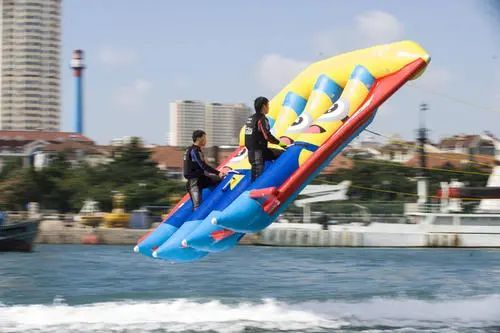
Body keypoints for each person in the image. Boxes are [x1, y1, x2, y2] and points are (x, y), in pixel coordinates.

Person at [245, 96, 287, 181]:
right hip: (259, 153)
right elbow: (267, 136)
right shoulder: (262, 119)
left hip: (251, 152)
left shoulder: (250, 118)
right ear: (264, 106)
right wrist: (281, 144)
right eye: (268, 105)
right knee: (257, 179)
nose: (269, 108)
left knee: (255, 176)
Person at [183, 130, 225, 210]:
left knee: (218, 179)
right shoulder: (195, 151)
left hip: (201, 178)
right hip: (194, 182)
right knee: (197, 206)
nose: (206, 140)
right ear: (199, 139)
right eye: (204, 138)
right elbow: (203, 166)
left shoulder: (190, 149)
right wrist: (218, 172)